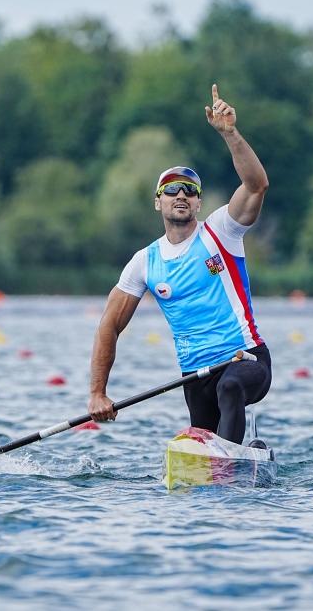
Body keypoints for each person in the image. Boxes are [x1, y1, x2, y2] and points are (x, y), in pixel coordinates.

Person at [87, 84, 272, 445]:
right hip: (195, 378)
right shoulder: (144, 263)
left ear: (199, 204)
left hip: (245, 360)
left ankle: (229, 465)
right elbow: (108, 326)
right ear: (158, 203)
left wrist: (230, 134)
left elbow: (256, 185)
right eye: (171, 189)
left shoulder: (222, 231)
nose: (181, 194)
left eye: (190, 189)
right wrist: (98, 393)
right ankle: (238, 458)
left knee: (232, 386)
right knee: (200, 439)